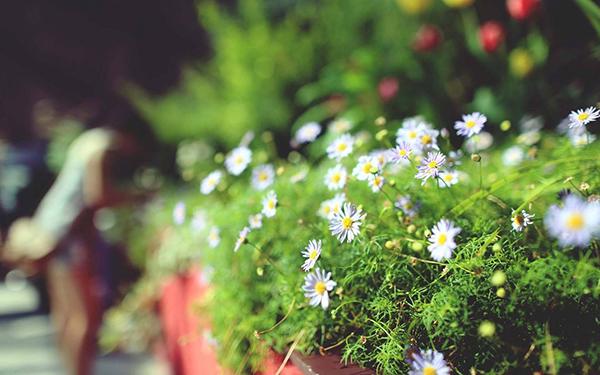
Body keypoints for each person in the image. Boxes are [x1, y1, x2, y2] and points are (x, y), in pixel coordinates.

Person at [2, 125, 147, 375]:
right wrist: (140, 196)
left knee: (66, 314)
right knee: (84, 317)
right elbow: (97, 197)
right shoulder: (101, 147)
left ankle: (71, 370)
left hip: (52, 230)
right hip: (70, 238)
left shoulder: (86, 141)